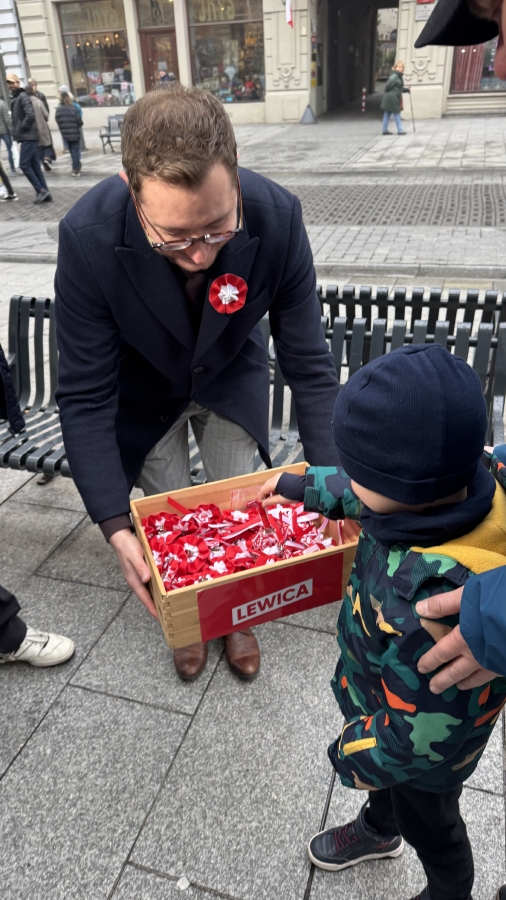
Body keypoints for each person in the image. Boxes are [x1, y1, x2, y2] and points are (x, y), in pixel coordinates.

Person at [54, 83, 340, 683]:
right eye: (174, 237)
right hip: (146, 390)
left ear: (235, 173)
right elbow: (84, 393)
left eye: (216, 229)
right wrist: (113, 523)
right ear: (133, 190)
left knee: (240, 506)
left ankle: (238, 612)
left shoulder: (278, 217)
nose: (201, 255)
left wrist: (335, 482)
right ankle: (190, 616)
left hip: (230, 375)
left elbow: (309, 364)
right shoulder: (87, 238)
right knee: (169, 513)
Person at [260, 344, 506, 900]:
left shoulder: (436, 603)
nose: (349, 477)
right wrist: (304, 486)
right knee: (390, 793)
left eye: (355, 469)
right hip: (379, 696)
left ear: (401, 488)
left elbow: (417, 739)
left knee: (432, 826)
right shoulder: (453, 488)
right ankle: (378, 827)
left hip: (424, 758)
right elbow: (369, 495)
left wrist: (347, 753)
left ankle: (448, 890)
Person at [6, 72, 52, 204]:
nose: (10, 85)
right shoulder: (17, 97)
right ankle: (45, 192)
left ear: (18, 83)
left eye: (12, 83)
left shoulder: (22, 96)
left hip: (29, 136)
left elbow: (30, 115)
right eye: (8, 83)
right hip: (29, 136)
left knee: (24, 165)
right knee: (35, 166)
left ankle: (41, 191)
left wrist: (22, 128)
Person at [25, 83, 53, 172]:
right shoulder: (38, 102)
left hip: (32, 129)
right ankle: (47, 158)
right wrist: (44, 119)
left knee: (39, 147)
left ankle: (43, 163)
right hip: (42, 126)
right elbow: (46, 114)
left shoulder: (25, 104)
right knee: (47, 143)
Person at [55, 92, 82, 176]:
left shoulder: (58, 110)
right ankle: (75, 169)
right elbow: (79, 121)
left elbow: (58, 121)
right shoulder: (73, 109)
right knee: (75, 151)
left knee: (71, 150)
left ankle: (76, 165)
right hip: (75, 133)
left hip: (65, 134)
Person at [380, 61, 410, 135]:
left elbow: (398, 88)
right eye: (399, 67)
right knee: (397, 113)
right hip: (392, 97)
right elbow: (388, 85)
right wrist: (387, 91)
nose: (400, 68)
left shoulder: (397, 76)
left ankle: (384, 130)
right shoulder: (395, 76)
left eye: (401, 67)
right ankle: (400, 130)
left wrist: (407, 90)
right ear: (395, 67)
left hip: (391, 97)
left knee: (387, 114)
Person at [0, 96, 16, 175]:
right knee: (9, 149)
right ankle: (12, 168)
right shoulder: (2, 104)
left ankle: (1, 170)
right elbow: (7, 119)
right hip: (4, 131)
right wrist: (11, 131)